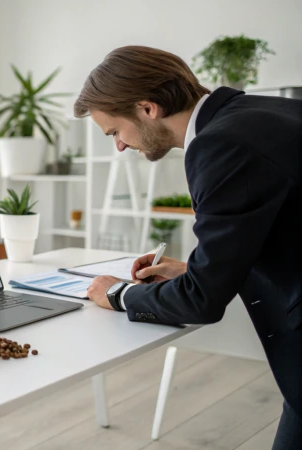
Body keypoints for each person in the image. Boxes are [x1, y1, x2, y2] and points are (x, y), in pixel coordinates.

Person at [74, 46, 302, 449]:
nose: (120, 147)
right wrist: (196, 268)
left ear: (148, 108)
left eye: (114, 132)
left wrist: (116, 293)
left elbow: (201, 301)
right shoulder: (269, 112)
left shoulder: (221, 145)